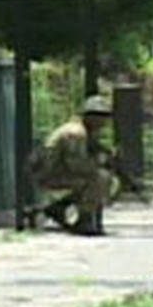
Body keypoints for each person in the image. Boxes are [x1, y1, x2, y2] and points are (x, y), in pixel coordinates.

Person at [31, 94, 113, 236]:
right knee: (99, 178)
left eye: (105, 115)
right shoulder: (76, 133)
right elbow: (76, 165)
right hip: (48, 175)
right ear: (88, 116)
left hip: (56, 172)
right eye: (98, 115)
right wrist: (100, 162)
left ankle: (59, 207)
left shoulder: (84, 131)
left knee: (99, 177)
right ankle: (85, 220)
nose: (103, 120)